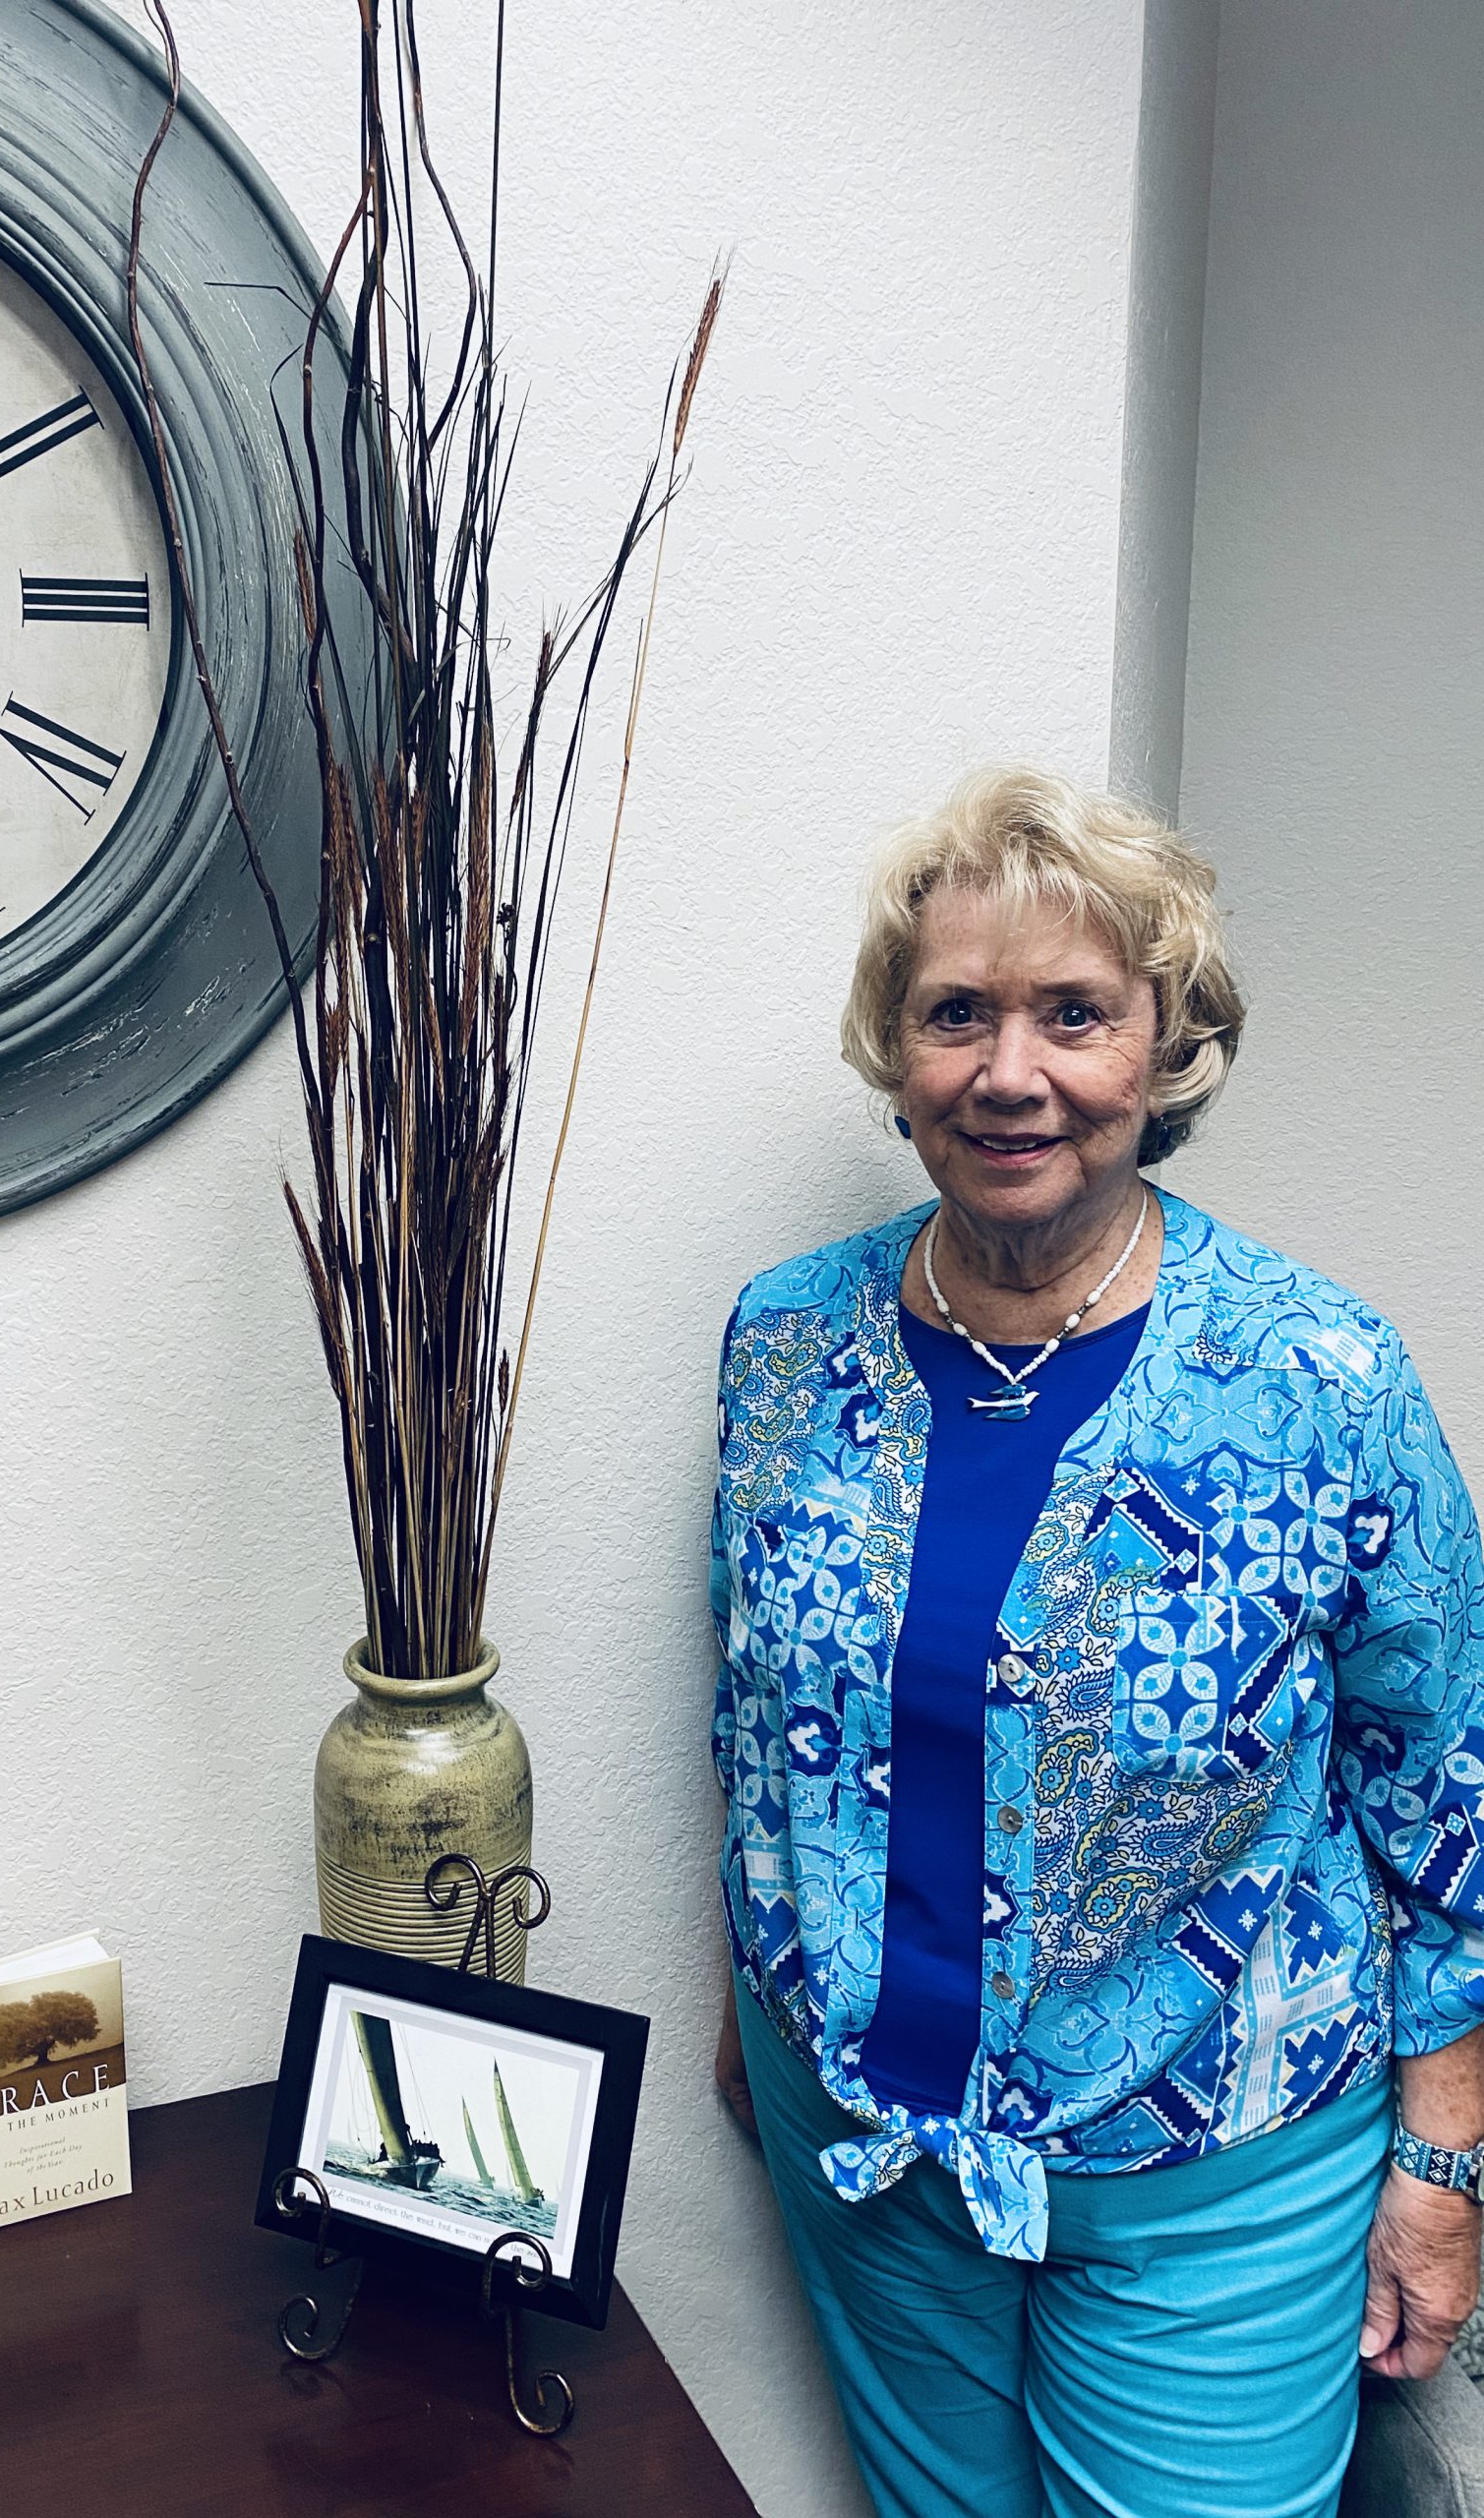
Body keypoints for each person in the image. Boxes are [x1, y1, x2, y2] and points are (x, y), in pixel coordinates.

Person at [708, 767, 1484, 2518]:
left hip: (1218, 2169)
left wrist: (1444, 2168)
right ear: (897, 1051)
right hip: (868, 2147)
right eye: (957, 1014)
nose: (1010, 1072)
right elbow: (753, 1719)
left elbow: (1452, 1790)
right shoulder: (783, 1344)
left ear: (1166, 1047)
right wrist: (752, 1999)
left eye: (1074, 1013)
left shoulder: (1321, 1377)